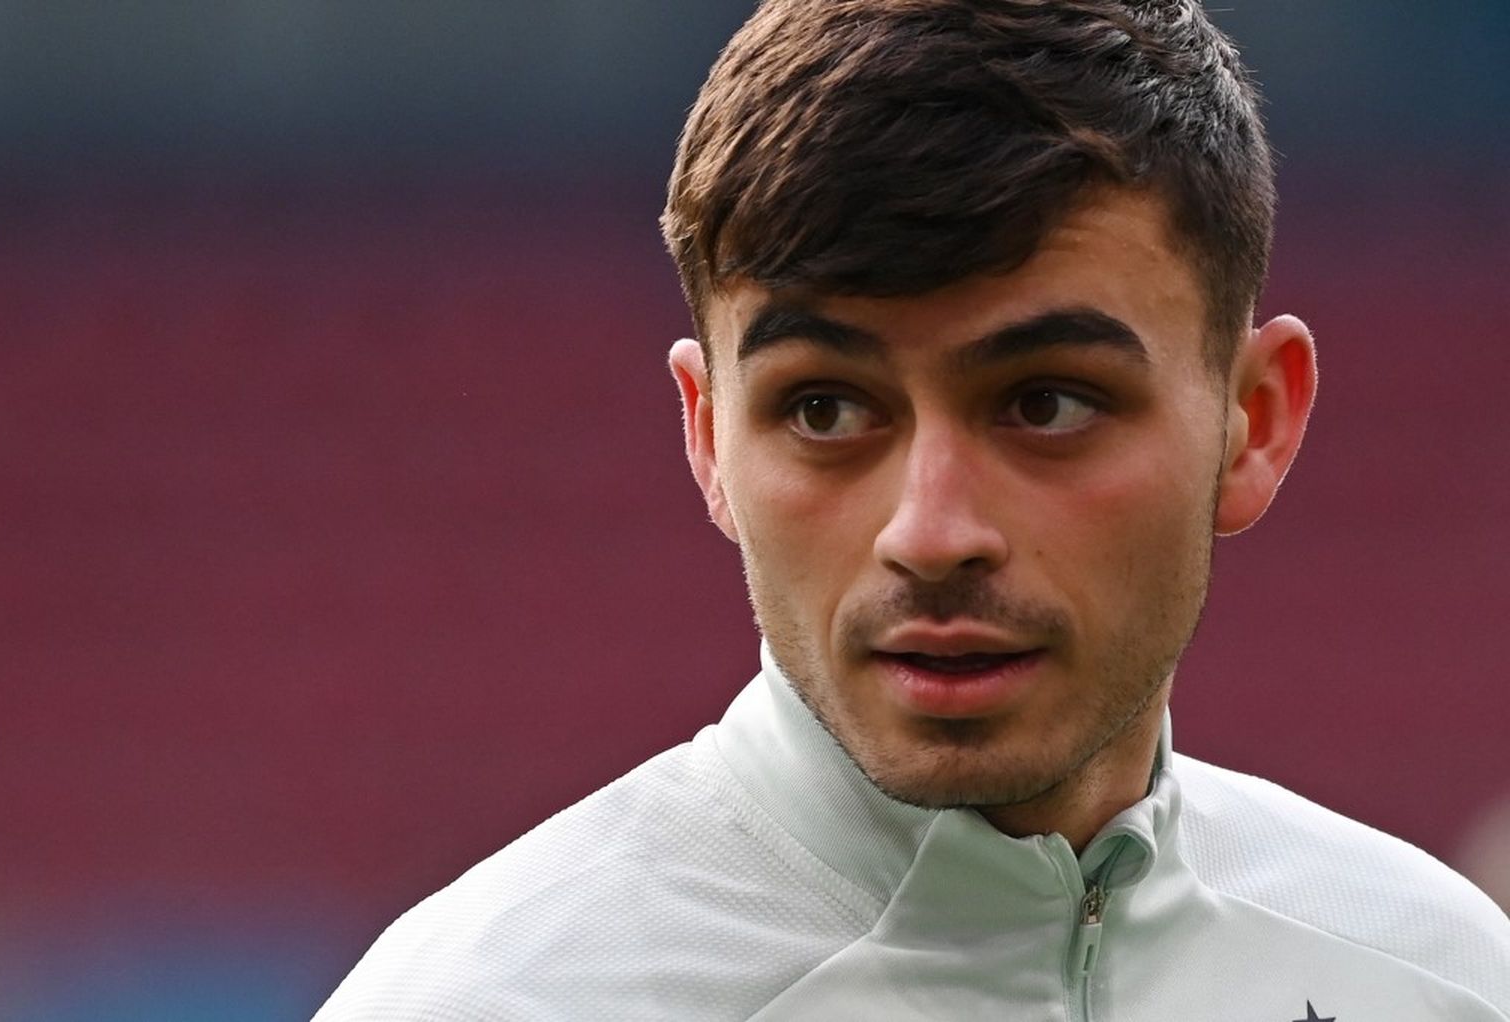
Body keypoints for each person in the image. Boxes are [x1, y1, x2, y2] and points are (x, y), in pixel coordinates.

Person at [313, 1, 1510, 1018]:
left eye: (1045, 402)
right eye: (826, 409)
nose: (931, 533)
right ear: (709, 437)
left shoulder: (1443, 979)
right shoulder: (492, 998)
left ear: (1254, 419)